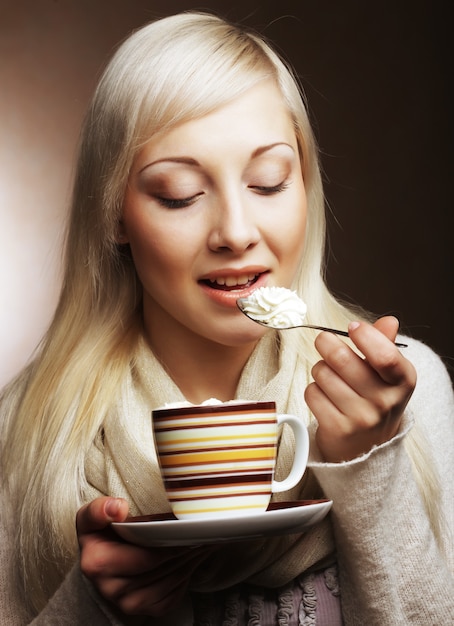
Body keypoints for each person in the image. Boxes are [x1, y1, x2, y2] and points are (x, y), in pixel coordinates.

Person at [0, 10, 453, 625]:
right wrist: (91, 607)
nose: (236, 234)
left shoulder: (408, 393)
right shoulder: (28, 432)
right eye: (180, 194)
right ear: (114, 214)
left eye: (268, 183)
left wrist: (371, 462)